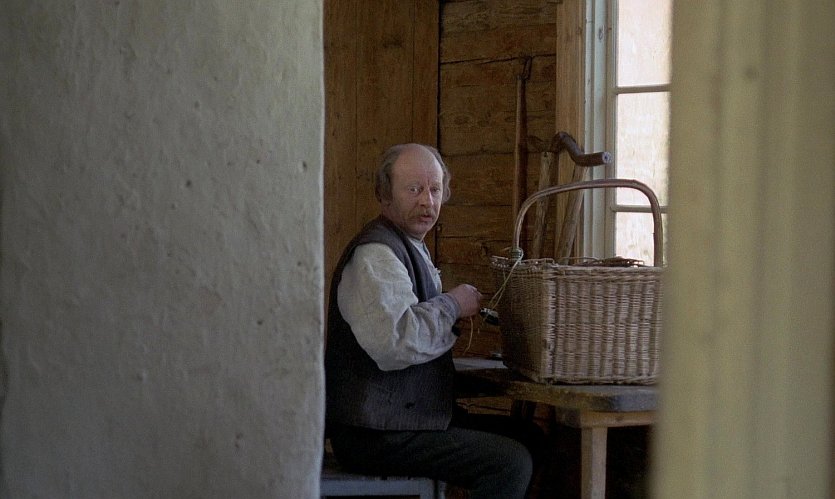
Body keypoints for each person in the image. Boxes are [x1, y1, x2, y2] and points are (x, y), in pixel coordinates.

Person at [325, 143, 544, 499]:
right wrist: (452, 305)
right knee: (510, 463)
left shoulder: (409, 244)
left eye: (435, 189)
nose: (427, 201)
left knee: (529, 437)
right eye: (414, 189)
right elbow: (394, 342)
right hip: (373, 433)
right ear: (384, 195)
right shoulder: (375, 255)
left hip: (401, 420)